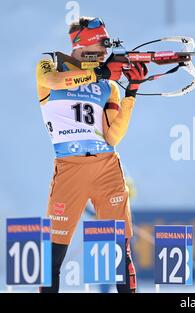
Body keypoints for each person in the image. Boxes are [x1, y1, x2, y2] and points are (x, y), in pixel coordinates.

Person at [35, 16, 147, 293]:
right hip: (69, 165)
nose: (103, 55)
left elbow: (113, 136)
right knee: (54, 254)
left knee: (121, 252)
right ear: (81, 44)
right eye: (97, 49)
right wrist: (100, 72)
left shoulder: (108, 86)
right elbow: (53, 81)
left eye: (104, 51)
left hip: (106, 164)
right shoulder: (50, 61)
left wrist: (131, 92)